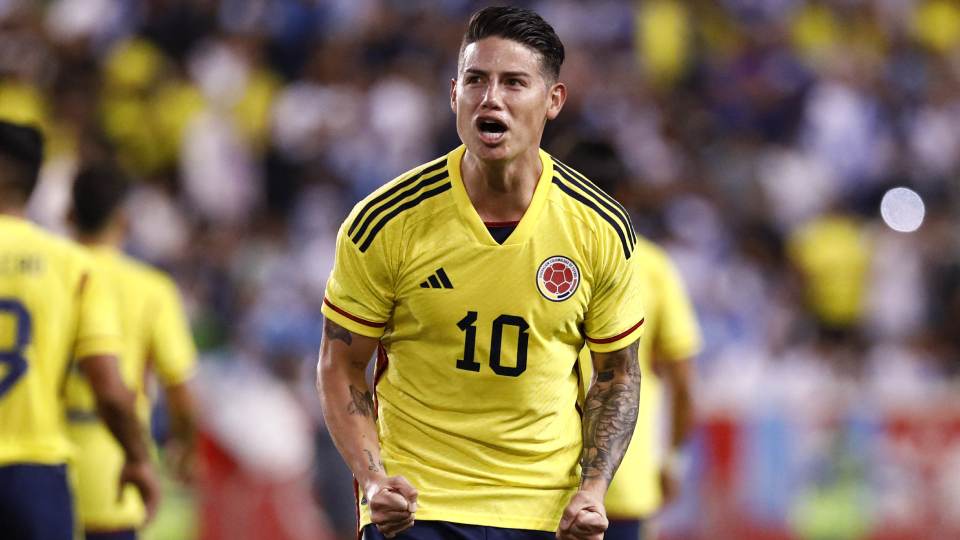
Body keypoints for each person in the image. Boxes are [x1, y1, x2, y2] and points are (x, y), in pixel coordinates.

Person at [316, 7, 646, 540]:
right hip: (419, 504)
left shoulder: (599, 228)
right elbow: (342, 362)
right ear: (454, 95)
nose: (491, 98)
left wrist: (593, 489)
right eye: (476, 80)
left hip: (543, 511)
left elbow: (617, 373)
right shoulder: (385, 222)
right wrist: (373, 480)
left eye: (514, 82)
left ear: (553, 101)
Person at [0, 120, 160, 539]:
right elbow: (109, 388)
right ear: (34, 183)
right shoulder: (72, 266)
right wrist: (137, 456)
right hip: (34, 472)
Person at [565, 141, 702, 540]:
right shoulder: (653, 267)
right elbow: (684, 383)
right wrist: (672, 460)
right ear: (624, 193)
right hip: (622, 477)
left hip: (542, 482)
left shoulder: (540, 260)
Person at [65, 163, 200, 540]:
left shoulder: (53, 274)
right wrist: (185, 451)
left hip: (45, 468)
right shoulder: (151, 289)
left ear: (69, 216)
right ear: (123, 220)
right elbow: (182, 395)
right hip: (115, 468)